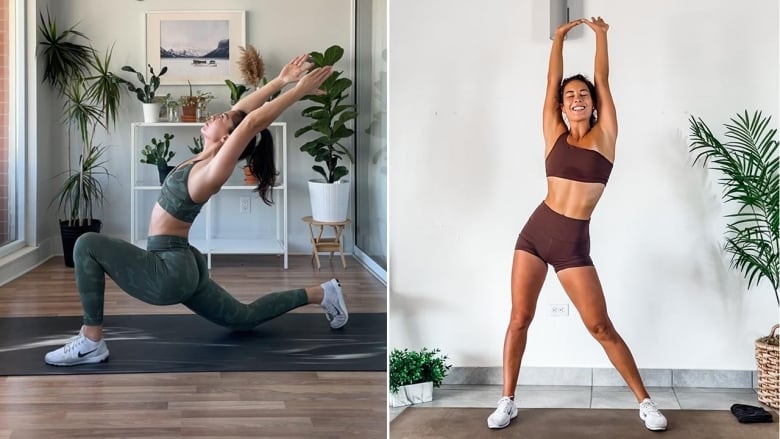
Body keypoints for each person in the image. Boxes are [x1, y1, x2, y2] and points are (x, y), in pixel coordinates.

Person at [45, 55, 349, 367]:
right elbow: (245, 113)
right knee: (242, 318)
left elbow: (251, 122)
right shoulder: (203, 159)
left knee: (86, 244)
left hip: (169, 270)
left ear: (229, 137)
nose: (217, 115)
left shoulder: (214, 170)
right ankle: (323, 293)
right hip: (183, 261)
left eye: (223, 118)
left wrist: (298, 92)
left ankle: (92, 341)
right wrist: (281, 81)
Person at [486, 18, 667, 431]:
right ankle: (507, 399)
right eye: (570, 96)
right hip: (534, 235)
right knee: (519, 318)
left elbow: (603, 78)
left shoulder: (606, 135)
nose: (577, 98)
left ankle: (646, 403)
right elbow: (551, 80)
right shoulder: (554, 134)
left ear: (593, 103)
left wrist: (601, 37)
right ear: (562, 106)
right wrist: (560, 40)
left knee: (600, 326)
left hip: (571, 244)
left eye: (582, 94)